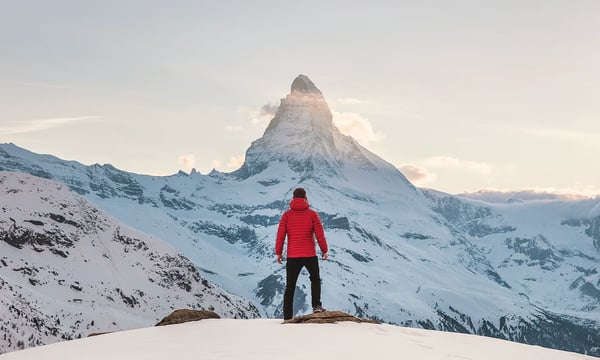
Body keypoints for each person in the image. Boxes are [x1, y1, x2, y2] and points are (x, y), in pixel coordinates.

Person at [275, 187, 329, 320]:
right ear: (305, 198)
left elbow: (280, 235)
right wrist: (324, 250)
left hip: (293, 256)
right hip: (310, 254)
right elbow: (319, 235)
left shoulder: (286, 215)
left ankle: (287, 317)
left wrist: (278, 253)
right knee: (315, 279)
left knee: (290, 286)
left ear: (293, 198)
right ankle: (316, 306)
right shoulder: (312, 214)